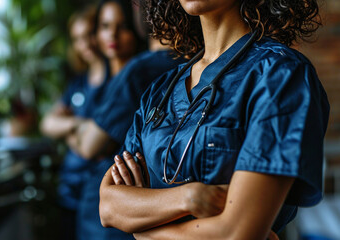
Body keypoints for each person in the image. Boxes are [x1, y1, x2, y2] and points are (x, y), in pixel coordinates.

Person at [99, 0, 330, 239]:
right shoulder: (160, 91)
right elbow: (108, 207)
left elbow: (236, 233)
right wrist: (191, 197)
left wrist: (142, 232)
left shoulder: (281, 76)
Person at [63, 0, 143, 239]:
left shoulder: (135, 77)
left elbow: (89, 147)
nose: (113, 34)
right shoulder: (103, 81)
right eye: (105, 25)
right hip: (90, 200)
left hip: (117, 205)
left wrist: (70, 133)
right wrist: (81, 128)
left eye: (123, 26)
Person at [39, 6, 108, 240]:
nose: (85, 44)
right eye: (77, 38)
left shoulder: (117, 81)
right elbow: (48, 123)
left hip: (98, 192)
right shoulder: (78, 83)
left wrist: (67, 127)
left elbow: (96, 146)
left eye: (89, 34)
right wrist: (80, 126)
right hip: (69, 190)